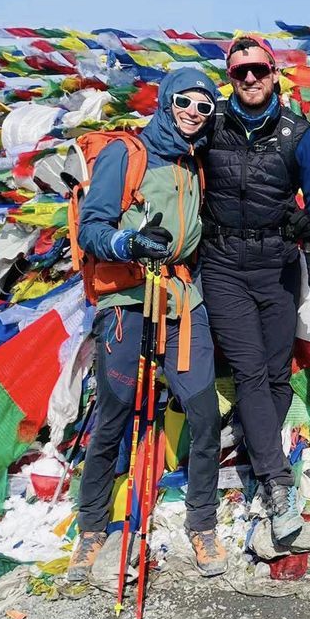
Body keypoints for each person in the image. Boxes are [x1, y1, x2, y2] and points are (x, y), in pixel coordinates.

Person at [68, 67, 226, 582]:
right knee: (114, 411)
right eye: (184, 102)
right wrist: (127, 244)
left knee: (203, 412)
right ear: (165, 101)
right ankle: (92, 526)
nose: (193, 114)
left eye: (204, 108)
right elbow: (93, 227)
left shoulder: (194, 162)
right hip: (129, 298)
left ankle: (202, 522)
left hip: (182, 298)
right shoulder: (126, 153)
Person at [199, 36, 310, 544]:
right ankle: (279, 485)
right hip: (223, 264)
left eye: (258, 70)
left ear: (275, 73)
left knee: (277, 374)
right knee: (252, 370)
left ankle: (256, 450)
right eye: (240, 73)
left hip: (278, 263)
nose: (250, 79)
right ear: (230, 78)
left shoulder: (298, 132)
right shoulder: (209, 125)